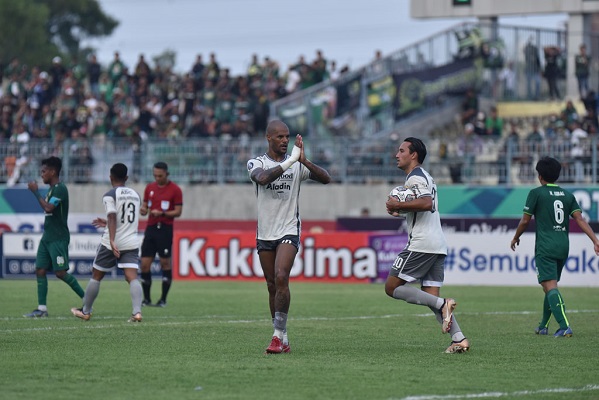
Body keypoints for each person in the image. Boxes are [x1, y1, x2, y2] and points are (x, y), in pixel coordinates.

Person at [247, 119, 331, 354]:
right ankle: (283, 336)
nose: (285, 140)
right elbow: (262, 179)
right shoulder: (256, 162)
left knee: (281, 276)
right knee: (272, 285)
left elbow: (326, 178)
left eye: (287, 137)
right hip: (265, 233)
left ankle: (275, 337)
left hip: (288, 229)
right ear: (269, 138)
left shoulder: (296, 164)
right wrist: (291, 162)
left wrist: (304, 161)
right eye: (280, 137)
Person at [385, 137, 469, 353]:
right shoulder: (426, 177)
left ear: (413, 155)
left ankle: (444, 304)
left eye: (401, 150)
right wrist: (400, 210)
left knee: (392, 287)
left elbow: (426, 203)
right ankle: (459, 338)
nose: (397, 154)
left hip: (422, 243)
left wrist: (399, 203)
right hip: (436, 243)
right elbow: (423, 206)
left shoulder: (415, 178)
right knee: (430, 298)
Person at [510, 157, 599, 337]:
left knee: (549, 286)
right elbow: (580, 219)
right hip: (563, 246)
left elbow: (525, 221)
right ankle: (543, 326)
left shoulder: (536, 193)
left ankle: (564, 326)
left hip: (545, 246)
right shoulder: (568, 195)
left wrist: (515, 237)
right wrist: (595, 240)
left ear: (540, 175)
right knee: (549, 286)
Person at [71, 163, 144, 322]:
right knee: (132, 277)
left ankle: (86, 311)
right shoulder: (136, 195)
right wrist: (107, 223)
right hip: (131, 241)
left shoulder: (109, 195)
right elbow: (125, 219)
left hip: (112, 242)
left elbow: (112, 216)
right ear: (126, 178)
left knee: (96, 276)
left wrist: (111, 240)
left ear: (110, 177)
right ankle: (137, 312)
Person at [24, 156, 85, 318]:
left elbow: (49, 208)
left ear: (53, 172)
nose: (41, 174)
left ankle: (87, 300)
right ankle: (42, 309)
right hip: (47, 237)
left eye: (44, 171)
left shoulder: (60, 188)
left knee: (60, 273)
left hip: (58, 238)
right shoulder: (52, 189)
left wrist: (35, 192)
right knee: (40, 269)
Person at [139, 161, 183, 307]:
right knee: (145, 264)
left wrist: (163, 213)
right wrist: (143, 209)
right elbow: (145, 205)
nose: (157, 178)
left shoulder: (175, 190)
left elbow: (178, 212)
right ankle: (147, 299)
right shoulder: (149, 188)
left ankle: (163, 299)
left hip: (165, 229)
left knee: (165, 263)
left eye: (160, 176)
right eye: (155, 175)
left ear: (166, 174)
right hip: (151, 228)